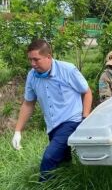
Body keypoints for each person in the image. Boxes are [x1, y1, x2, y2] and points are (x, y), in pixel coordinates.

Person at [11, 39, 93, 181]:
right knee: (63, 161)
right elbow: (28, 104)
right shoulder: (32, 76)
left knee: (49, 158)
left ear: (48, 57)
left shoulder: (67, 70)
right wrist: (18, 131)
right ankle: (70, 181)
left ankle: (44, 185)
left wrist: (85, 119)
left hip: (71, 121)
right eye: (30, 60)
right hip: (52, 125)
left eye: (36, 59)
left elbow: (86, 92)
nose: (32, 64)